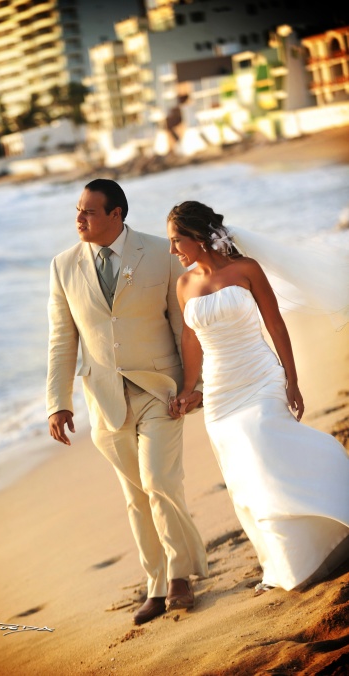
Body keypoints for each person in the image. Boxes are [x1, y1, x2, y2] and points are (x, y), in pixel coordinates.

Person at [167, 200, 349, 594]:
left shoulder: (246, 270)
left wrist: (292, 380)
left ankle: (334, 495)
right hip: (219, 392)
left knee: (264, 445)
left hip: (260, 375)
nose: (172, 250)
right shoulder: (184, 286)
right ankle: (285, 561)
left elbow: (276, 324)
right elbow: (190, 339)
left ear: (198, 238)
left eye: (176, 240)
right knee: (244, 474)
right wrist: (188, 389)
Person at [46, 180, 208, 625]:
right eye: (77, 210)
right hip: (103, 400)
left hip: (161, 388)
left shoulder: (159, 253)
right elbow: (63, 339)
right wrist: (57, 402)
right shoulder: (63, 266)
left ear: (117, 214)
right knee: (136, 496)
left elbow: (183, 327)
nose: (79, 219)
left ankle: (180, 575)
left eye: (90, 212)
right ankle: (156, 584)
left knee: (159, 480)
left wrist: (194, 386)